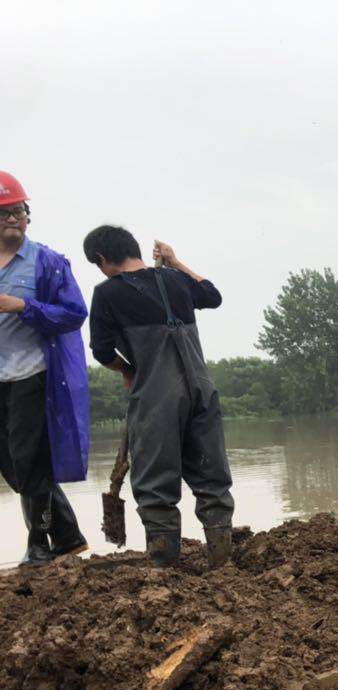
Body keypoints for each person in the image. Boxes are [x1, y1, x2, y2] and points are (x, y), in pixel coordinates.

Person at [85, 226, 235, 570]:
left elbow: (101, 351)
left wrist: (127, 371)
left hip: (155, 396)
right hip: (202, 390)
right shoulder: (176, 279)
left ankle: (165, 569)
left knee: (155, 484)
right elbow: (212, 295)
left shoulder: (107, 293)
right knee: (212, 479)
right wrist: (175, 262)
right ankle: (222, 564)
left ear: (102, 259)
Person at [0, 171, 90, 566]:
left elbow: (73, 313)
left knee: (30, 461)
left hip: (33, 375)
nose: (12, 218)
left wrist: (24, 306)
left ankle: (38, 544)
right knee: (13, 466)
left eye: (18, 211)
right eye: (4, 213)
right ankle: (67, 536)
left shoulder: (47, 262)